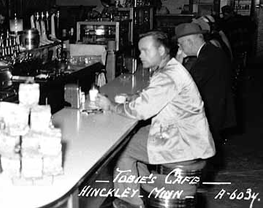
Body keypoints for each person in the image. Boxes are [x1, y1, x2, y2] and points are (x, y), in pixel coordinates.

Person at [96, 30, 215, 208]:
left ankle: (129, 202)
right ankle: (142, 190)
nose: (140, 55)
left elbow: (140, 112)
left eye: (145, 50)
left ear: (161, 51)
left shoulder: (167, 76)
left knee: (122, 150)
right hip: (186, 134)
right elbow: (159, 96)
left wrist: (110, 106)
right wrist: (137, 96)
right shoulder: (170, 67)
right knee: (133, 140)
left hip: (183, 141)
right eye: (139, 51)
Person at [175, 23, 236, 167]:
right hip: (216, 108)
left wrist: (178, 62)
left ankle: (184, 174)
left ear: (189, 41)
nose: (179, 49)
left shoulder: (206, 59)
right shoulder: (211, 52)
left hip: (210, 114)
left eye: (180, 44)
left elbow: (184, 87)